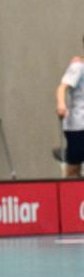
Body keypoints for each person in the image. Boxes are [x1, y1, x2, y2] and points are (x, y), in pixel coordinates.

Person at [55, 36, 84, 178]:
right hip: (78, 126)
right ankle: (71, 197)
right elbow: (62, 87)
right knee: (74, 168)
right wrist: (61, 104)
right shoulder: (78, 67)